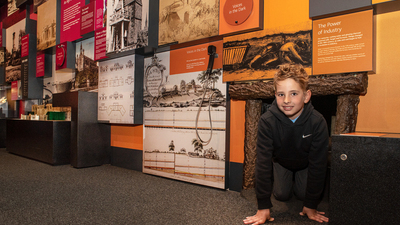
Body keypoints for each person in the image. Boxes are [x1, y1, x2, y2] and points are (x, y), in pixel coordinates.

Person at [243, 64, 329, 224]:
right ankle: (286, 181)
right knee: (281, 195)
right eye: (281, 94)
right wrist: (263, 207)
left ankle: (303, 190)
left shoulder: (317, 122)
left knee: (304, 195)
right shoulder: (267, 121)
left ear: (306, 96)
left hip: (306, 164)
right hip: (281, 161)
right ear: (275, 95)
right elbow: (262, 163)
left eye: (294, 93)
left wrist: (311, 205)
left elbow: (319, 164)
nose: (287, 100)